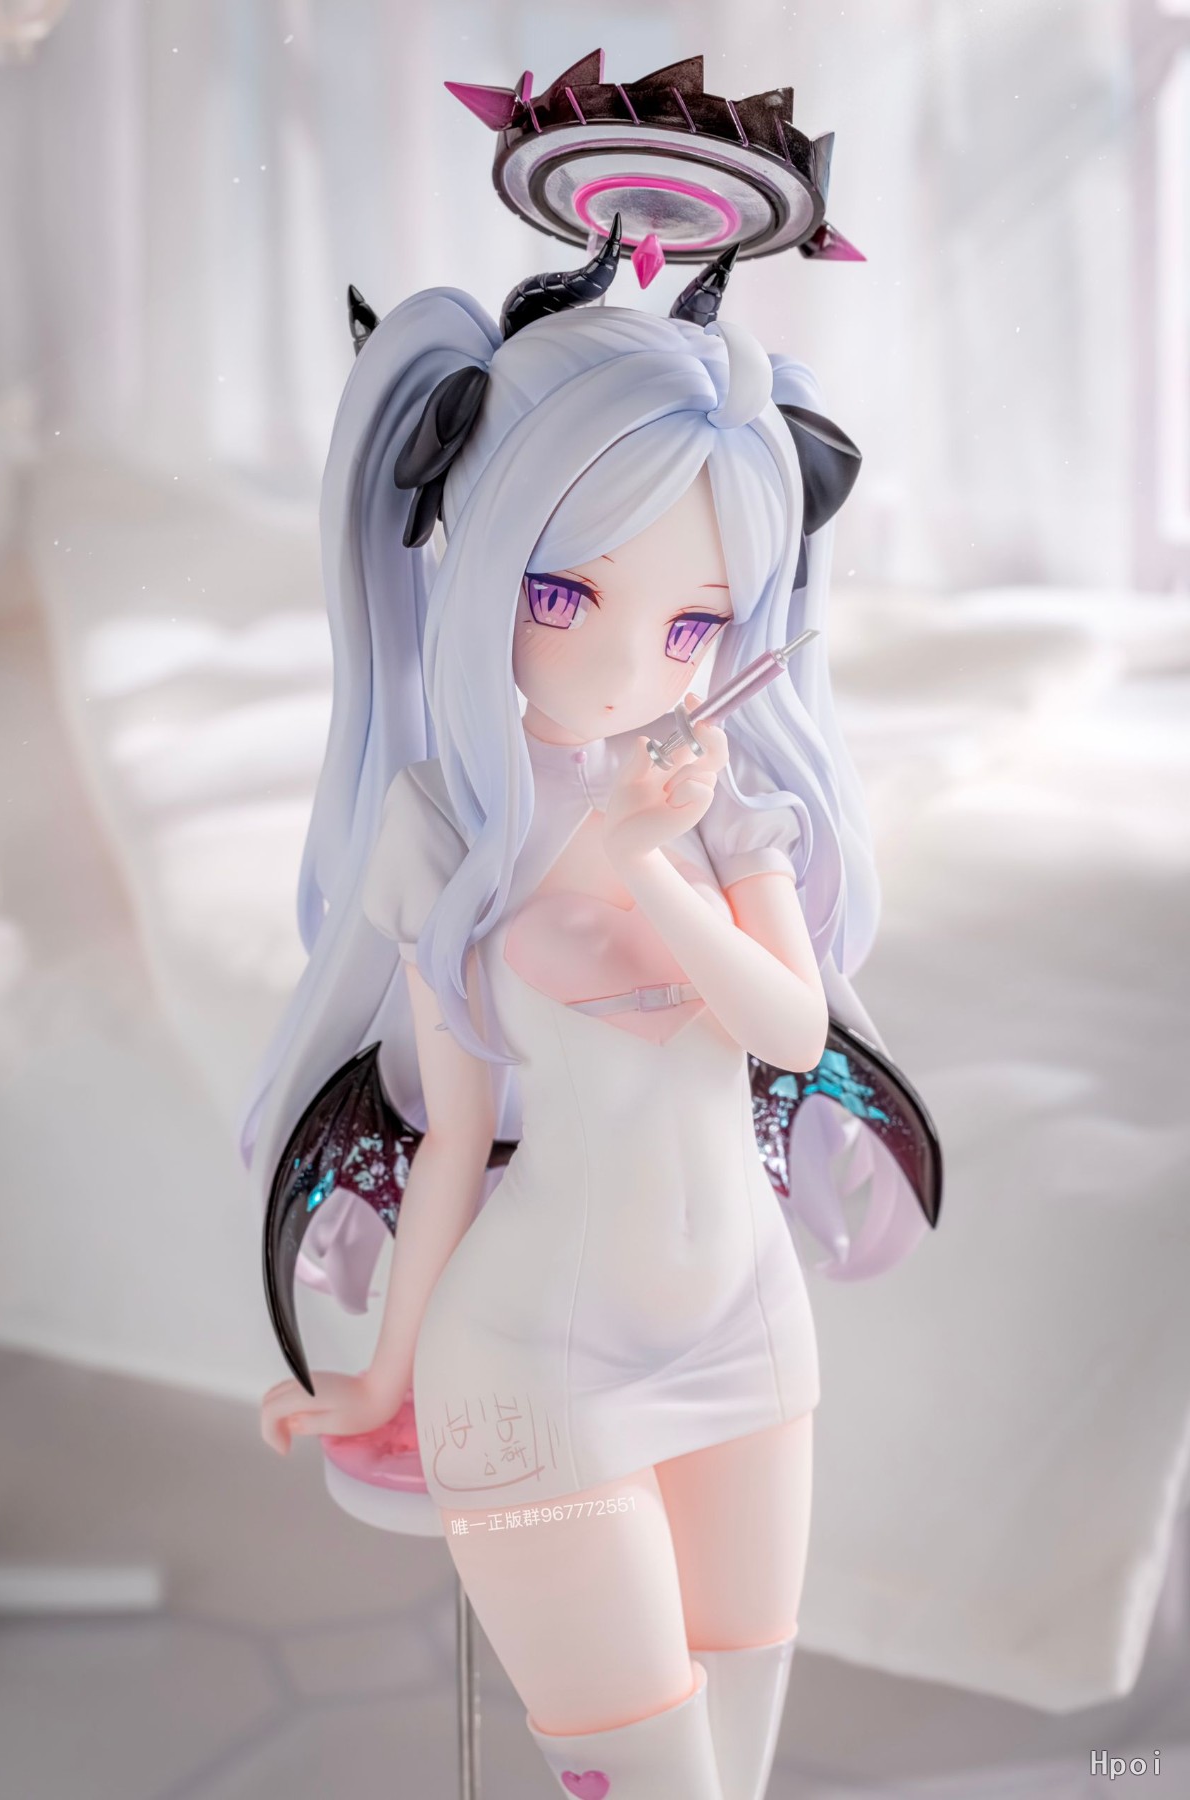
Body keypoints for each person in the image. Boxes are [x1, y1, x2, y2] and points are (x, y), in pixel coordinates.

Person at [241, 230, 923, 1799]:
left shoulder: (716, 792)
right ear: (485, 567)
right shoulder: (443, 819)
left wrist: (650, 865)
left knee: (738, 1770)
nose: (629, 665)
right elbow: (459, 1128)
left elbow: (790, 1032)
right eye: (565, 594)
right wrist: (382, 1373)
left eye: (692, 627)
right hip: (536, 1361)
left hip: (751, 1333)